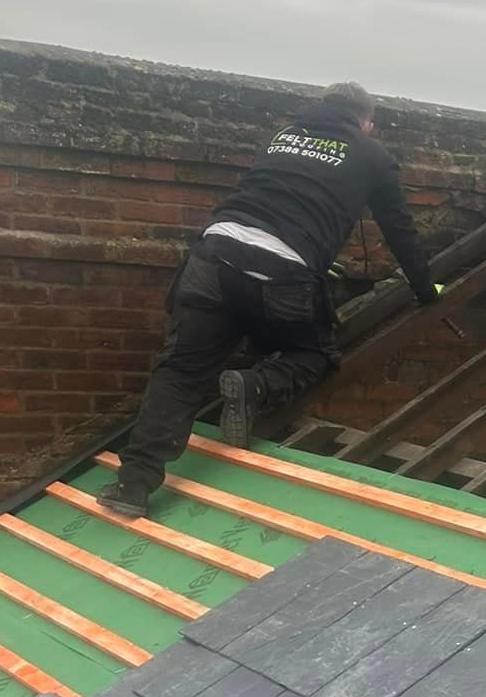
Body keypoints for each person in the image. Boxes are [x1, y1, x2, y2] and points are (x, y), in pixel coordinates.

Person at [100, 82, 437, 519]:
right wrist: (426, 291)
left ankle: (132, 486)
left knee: (181, 371)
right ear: (367, 122)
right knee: (313, 352)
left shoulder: (284, 136)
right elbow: (398, 228)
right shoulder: (373, 154)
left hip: (214, 256)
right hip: (284, 272)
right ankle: (256, 384)